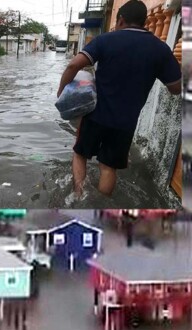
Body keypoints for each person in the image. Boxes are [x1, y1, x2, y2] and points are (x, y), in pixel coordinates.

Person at [57, 0, 182, 198]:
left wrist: (62, 90)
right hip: (125, 123)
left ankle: (78, 197)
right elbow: (175, 88)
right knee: (108, 167)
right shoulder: (160, 49)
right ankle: (100, 206)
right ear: (144, 21)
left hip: (95, 115)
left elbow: (74, 65)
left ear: (121, 20)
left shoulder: (106, 40)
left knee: (80, 154)